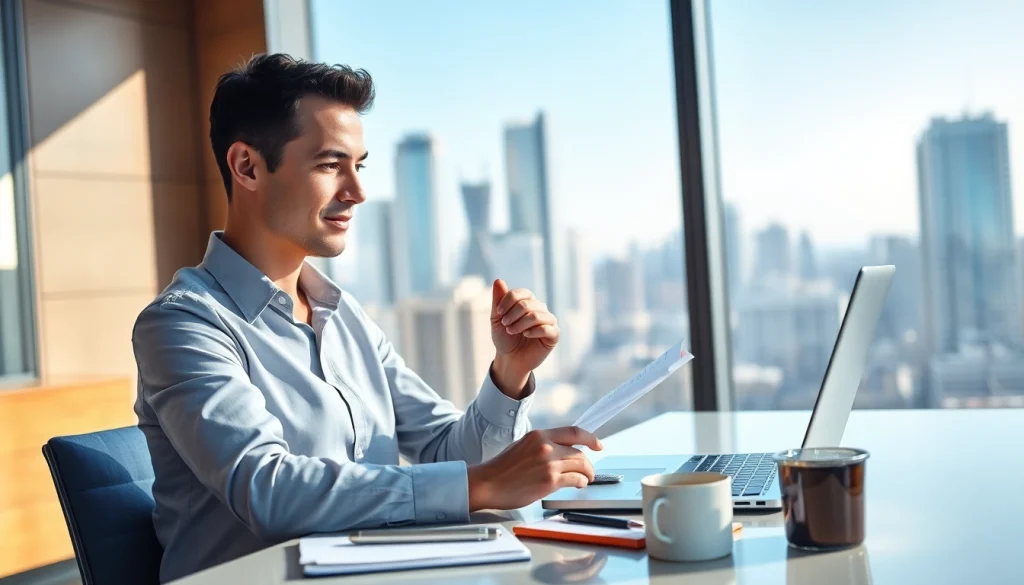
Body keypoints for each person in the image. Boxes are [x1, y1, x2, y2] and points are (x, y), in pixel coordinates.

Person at [132, 53, 602, 583]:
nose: (356, 192)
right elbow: (268, 489)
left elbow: (442, 450)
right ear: (247, 166)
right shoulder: (183, 325)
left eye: (360, 166)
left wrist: (509, 372)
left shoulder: (344, 314)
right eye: (330, 165)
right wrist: (481, 486)